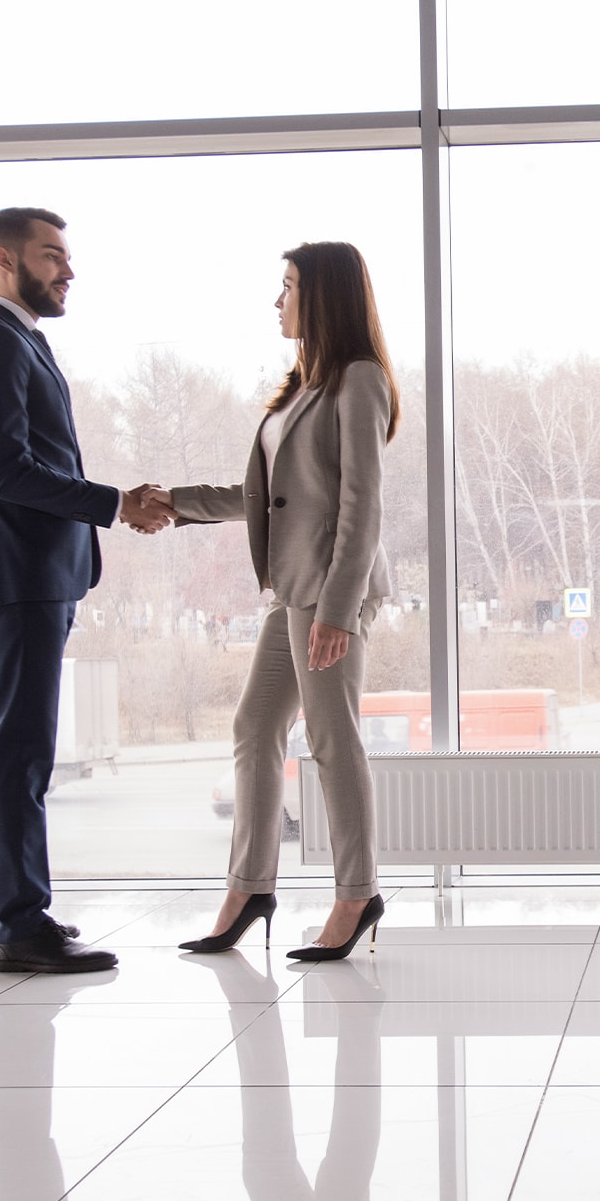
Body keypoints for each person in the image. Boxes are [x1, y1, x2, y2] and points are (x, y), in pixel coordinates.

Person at [147, 241, 400, 961]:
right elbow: (262, 497)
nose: (277, 300)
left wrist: (338, 610)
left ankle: (357, 892)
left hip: (328, 593)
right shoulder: (302, 386)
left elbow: (363, 506)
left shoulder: (358, 380)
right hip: (294, 589)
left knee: (330, 738)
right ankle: (251, 885)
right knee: (255, 726)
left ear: (323, 296)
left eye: (288, 286)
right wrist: (175, 503)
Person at [0, 206, 171, 974]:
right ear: (5, 261)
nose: (67, 270)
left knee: (0, 743)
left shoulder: (15, 343)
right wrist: (114, 503)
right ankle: (20, 921)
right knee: (20, 748)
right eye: (52, 256)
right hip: (23, 570)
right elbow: (11, 472)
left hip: (33, 571)